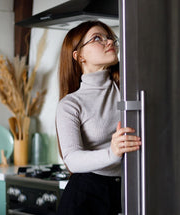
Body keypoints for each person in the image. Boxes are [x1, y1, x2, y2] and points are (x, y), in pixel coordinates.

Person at [56, 20, 141, 215]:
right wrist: (112, 152)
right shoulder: (70, 105)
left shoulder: (127, 90)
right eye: (97, 38)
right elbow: (72, 160)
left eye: (110, 38)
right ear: (79, 56)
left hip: (127, 188)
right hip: (86, 195)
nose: (109, 42)